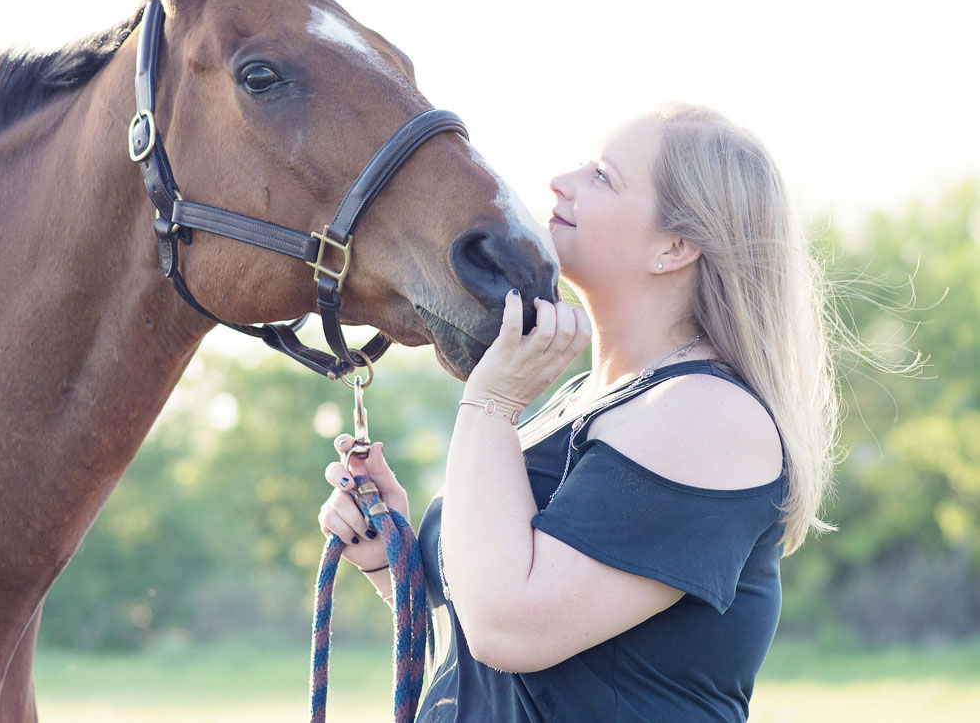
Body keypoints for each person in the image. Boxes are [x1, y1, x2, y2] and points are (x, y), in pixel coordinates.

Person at [318, 103, 838, 722]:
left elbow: (510, 629)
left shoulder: (708, 416)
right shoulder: (581, 406)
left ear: (674, 247)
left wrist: (490, 403)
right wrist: (388, 551)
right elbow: (479, 630)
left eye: (602, 177)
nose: (560, 182)